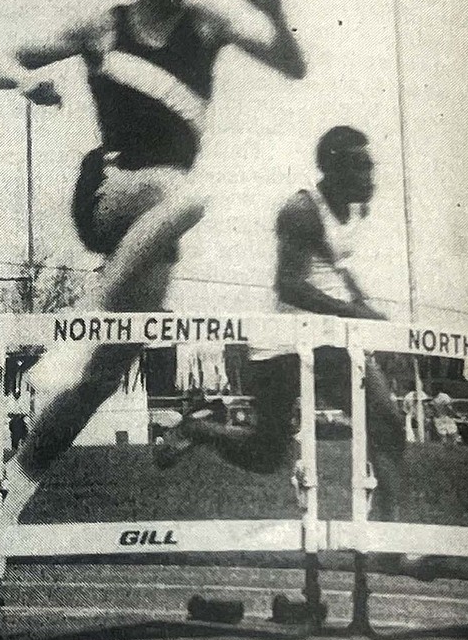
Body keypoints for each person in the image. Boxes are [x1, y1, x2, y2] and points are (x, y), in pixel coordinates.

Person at [0, 0, 305, 524]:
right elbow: (0, 59)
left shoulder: (208, 25)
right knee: (184, 192)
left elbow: (293, 65)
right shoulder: (103, 28)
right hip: (110, 192)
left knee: (105, 371)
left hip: (155, 225)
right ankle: (84, 312)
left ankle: (8, 486)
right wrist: (27, 83)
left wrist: (276, 9)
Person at [155, 126, 406, 524]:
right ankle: (200, 430)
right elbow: (288, 285)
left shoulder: (355, 209)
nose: (370, 177)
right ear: (333, 168)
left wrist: (366, 310)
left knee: (387, 424)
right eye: (361, 168)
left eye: (371, 166)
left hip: (329, 340)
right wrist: (355, 314)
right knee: (267, 454)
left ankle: (387, 535)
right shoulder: (301, 210)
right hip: (282, 345)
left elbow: (336, 264)